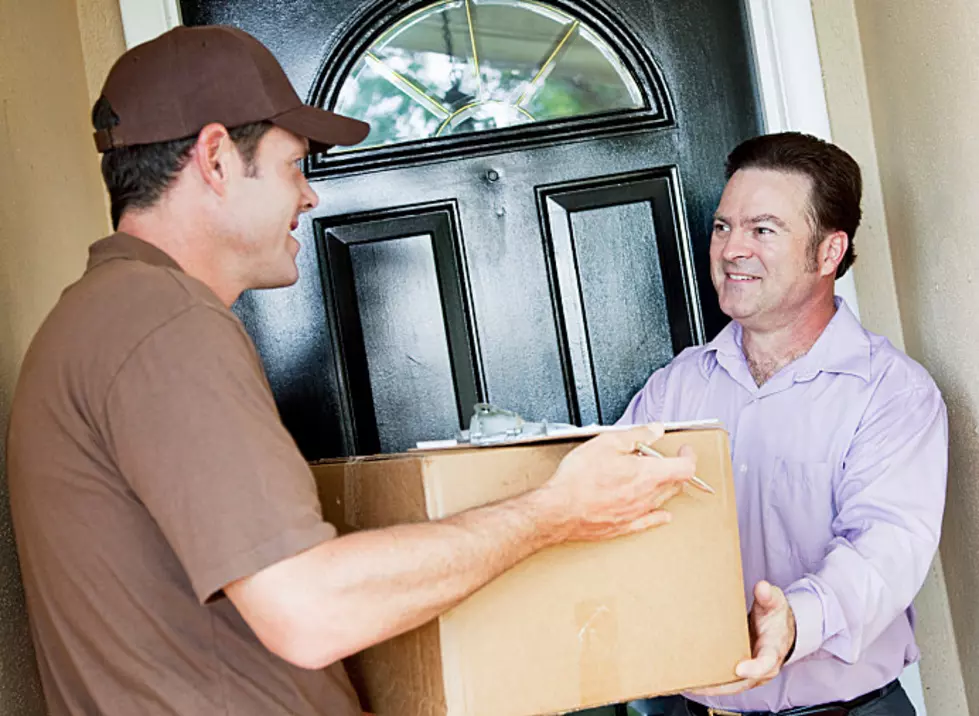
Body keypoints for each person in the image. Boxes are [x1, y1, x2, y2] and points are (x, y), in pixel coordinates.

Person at [5, 25, 700, 716]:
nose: (308, 197)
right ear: (214, 158)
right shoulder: (165, 325)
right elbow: (308, 612)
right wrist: (555, 512)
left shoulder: (100, 319)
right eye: (292, 165)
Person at [621, 132, 947, 716]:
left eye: (762, 230)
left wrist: (796, 621)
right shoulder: (675, 387)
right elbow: (611, 512)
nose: (731, 250)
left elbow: (886, 547)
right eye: (723, 227)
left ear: (827, 254)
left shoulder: (892, 394)